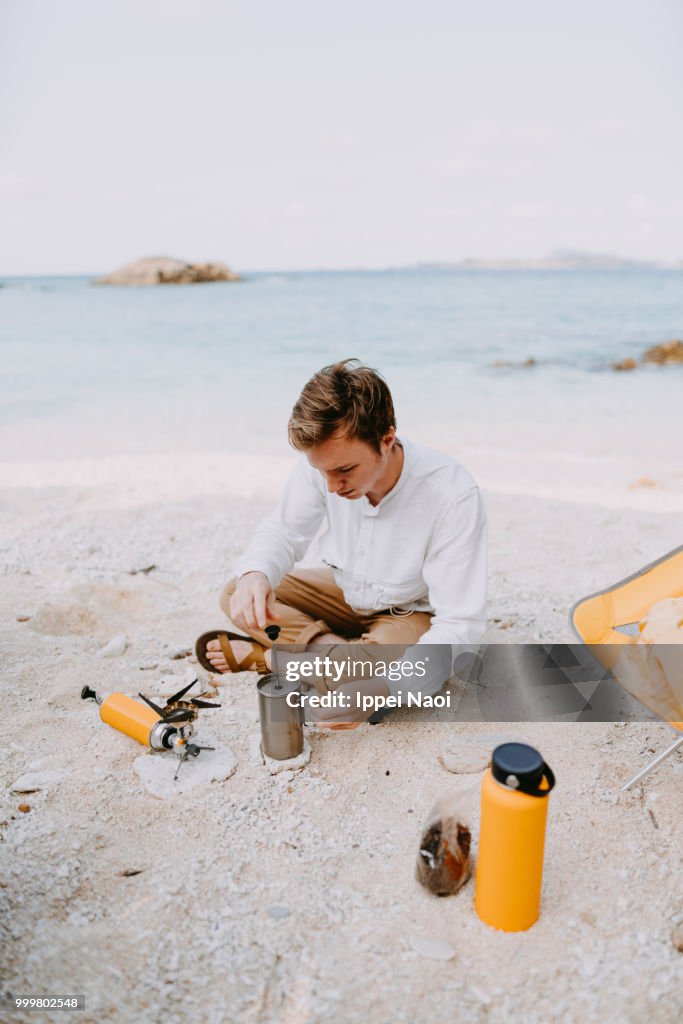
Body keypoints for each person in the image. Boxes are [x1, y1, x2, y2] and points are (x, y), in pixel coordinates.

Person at [195, 358, 487, 724]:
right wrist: (256, 574)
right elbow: (284, 532)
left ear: (387, 439)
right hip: (345, 592)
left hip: (408, 611)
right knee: (238, 590)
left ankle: (267, 659)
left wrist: (387, 690)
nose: (332, 486)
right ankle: (334, 660)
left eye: (345, 470)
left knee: (395, 666)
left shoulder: (451, 493)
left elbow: (460, 626)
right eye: (322, 471)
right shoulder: (326, 463)